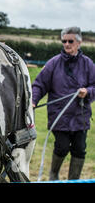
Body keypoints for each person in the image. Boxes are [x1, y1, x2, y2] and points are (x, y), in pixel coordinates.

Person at [32, 26, 95, 180]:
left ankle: (74, 180)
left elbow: (94, 85)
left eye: (70, 41)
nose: (67, 44)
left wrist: (87, 92)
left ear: (79, 42)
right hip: (59, 116)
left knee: (80, 149)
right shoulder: (53, 63)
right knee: (62, 147)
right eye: (64, 41)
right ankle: (54, 175)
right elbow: (39, 85)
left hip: (80, 116)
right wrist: (33, 101)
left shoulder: (88, 64)